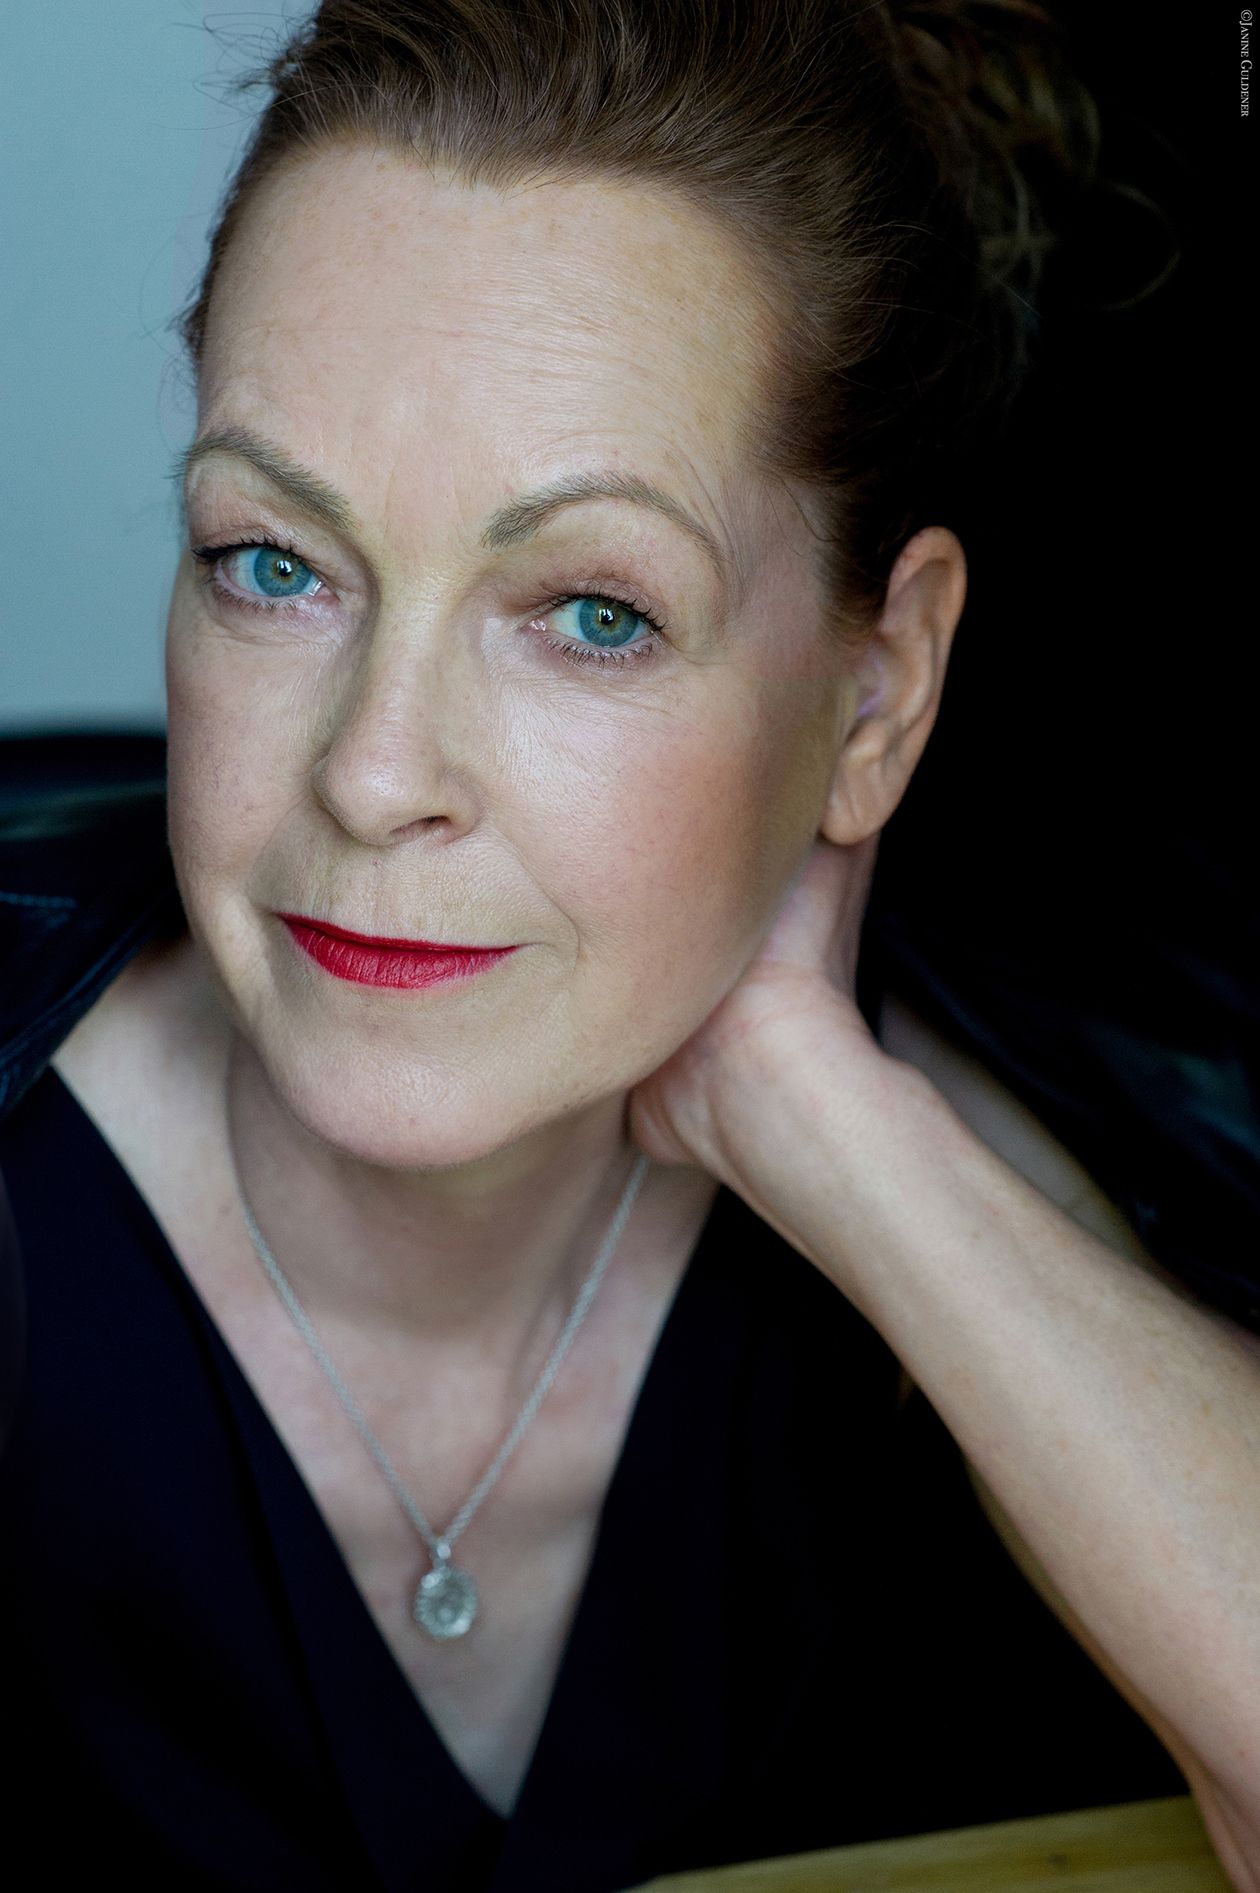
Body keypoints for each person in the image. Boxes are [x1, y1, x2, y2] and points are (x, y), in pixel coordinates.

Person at [1, 2, 1257, 1888]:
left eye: (591, 611)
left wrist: (814, 1107)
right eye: (276, 563)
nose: (373, 773)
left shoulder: (1017, 1197)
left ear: (878, 693)